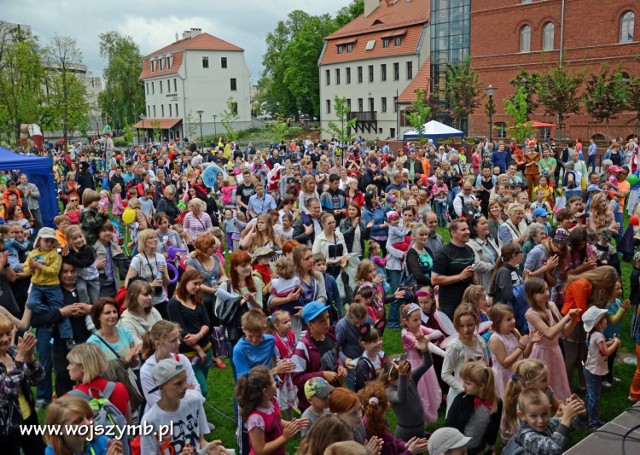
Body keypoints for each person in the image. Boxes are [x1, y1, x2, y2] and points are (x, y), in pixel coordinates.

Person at [141, 358, 223, 454]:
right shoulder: (150, 421)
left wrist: (207, 448)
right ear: (161, 387)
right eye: (178, 383)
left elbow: (200, 440)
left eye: (185, 380)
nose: (185, 386)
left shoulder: (194, 400)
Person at [525, 277, 580, 401]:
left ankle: (558, 409)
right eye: (542, 292)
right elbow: (549, 334)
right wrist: (567, 317)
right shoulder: (531, 313)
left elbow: (565, 331)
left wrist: (574, 319)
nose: (547, 293)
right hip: (541, 354)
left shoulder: (552, 306)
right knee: (543, 386)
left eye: (546, 289)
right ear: (532, 295)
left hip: (555, 351)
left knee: (558, 383)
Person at [235, 365, 308, 455]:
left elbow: (275, 420)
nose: (276, 383)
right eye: (273, 381)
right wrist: (284, 437)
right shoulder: (256, 419)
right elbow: (260, 450)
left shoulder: (272, 401)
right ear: (265, 391)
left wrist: (289, 425)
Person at [23, 227, 76, 349]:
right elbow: (25, 269)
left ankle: (69, 337)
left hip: (52, 286)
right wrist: (31, 268)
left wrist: (39, 266)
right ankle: (52, 315)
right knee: (32, 303)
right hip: (36, 285)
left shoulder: (55, 255)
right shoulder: (33, 253)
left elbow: (54, 271)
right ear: (39, 241)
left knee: (59, 309)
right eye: (46, 240)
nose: (49, 244)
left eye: (52, 241)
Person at [291, 301, 347, 411]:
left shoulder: (330, 334)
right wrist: (323, 374)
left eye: (327, 318)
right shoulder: (303, 347)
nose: (327, 323)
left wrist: (340, 365)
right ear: (309, 324)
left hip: (334, 393)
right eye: (322, 321)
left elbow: (336, 355)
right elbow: (296, 378)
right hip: (317, 404)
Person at [0, 315, 44, 454]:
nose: (6, 339)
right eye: (0, 335)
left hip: (28, 417)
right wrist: (20, 359)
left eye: (8, 333)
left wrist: (30, 358)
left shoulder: (13, 353)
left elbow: (36, 379)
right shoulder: (17, 355)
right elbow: (8, 392)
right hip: (6, 427)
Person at [140, 320, 201, 414]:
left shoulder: (181, 359)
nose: (179, 342)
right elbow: (156, 403)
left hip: (187, 415)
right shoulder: (147, 369)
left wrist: (170, 395)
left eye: (178, 338)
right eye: (173, 340)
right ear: (158, 344)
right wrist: (188, 392)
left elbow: (197, 390)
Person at [503, 389, 585, 455]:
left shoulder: (550, 423)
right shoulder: (527, 437)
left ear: (549, 410)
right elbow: (553, 450)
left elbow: (577, 425)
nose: (541, 420)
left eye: (544, 414)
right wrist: (566, 418)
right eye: (533, 416)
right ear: (522, 415)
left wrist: (580, 412)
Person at [445, 362, 502, 455]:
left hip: (477, 446)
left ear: (481, 386)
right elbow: (450, 423)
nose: (463, 385)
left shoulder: (497, 403)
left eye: (468, 383)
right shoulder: (461, 399)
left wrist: (490, 448)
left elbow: (494, 429)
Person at [358, 381, 429, 455]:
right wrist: (410, 452)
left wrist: (405, 445)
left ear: (363, 406)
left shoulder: (367, 421)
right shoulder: (384, 439)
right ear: (388, 405)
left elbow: (394, 441)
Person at [442, 303, 489, 415]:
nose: (466, 329)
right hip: (461, 393)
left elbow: (485, 365)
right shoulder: (455, 346)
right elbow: (445, 373)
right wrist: (463, 389)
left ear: (476, 322)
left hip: (479, 390)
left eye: (470, 325)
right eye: (461, 326)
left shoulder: (480, 341)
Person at [66, 343, 131, 422]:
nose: (68, 367)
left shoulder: (70, 398)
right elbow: (127, 423)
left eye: (71, 363)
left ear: (83, 367)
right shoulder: (119, 388)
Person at [400, 303, 443, 423]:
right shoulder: (405, 333)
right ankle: (420, 417)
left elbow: (438, 332)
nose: (419, 322)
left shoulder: (419, 328)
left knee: (430, 388)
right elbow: (417, 343)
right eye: (415, 320)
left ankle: (428, 416)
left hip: (424, 363)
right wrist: (425, 339)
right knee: (419, 391)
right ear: (405, 321)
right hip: (414, 364)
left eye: (420, 319)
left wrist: (427, 337)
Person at [582, 306, 621, 429]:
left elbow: (601, 346)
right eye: (604, 318)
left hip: (589, 368)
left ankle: (587, 415)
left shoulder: (592, 333)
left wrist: (610, 341)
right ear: (597, 323)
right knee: (595, 397)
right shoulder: (598, 335)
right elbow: (606, 352)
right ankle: (593, 422)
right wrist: (616, 343)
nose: (606, 320)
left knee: (590, 394)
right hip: (594, 370)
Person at [489, 304, 539, 398]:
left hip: (517, 372)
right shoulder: (496, 339)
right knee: (509, 399)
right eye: (508, 319)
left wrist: (531, 343)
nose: (513, 321)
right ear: (498, 322)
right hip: (505, 376)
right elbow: (504, 363)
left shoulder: (514, 331)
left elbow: (524, 355)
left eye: (513, 317)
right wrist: (520, 347)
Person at [44, 396, 124, 455]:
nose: (88, 423)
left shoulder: (103, 442)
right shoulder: (53, 452)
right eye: (78, 421)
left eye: (89, 417)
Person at [431, 219, 476, 319]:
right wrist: (460, 276)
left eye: (468, 229)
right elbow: (434, 279)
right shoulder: (444, 253)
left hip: (468, 302)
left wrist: (478, 289)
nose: (468, 231)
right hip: (450, 304)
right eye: (463, 229)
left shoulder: (469, 250)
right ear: (453, 233)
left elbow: (473, 273)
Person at [124, 229, 170, 318]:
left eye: (155, 237)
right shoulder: (138, 259)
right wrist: (150, 285)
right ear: (144, 242)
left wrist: (164, 274)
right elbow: (127, 285)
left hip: (161, 301)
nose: (155, 239)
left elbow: (166, 284)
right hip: (145, 304)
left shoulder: (161, 257)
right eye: (151, 238)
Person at [118, 280, 163, 346]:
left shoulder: (152, 310)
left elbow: (165, 332)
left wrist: (145, 340)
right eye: (145, 295)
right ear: (134, 295)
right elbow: (139, 347)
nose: (150, 297)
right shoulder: (125, 321)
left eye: (150, 294)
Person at [468, 214, 500, 292]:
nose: (486, 225)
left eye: (486, 223)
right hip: (485, 283)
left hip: (497, 278)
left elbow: (498, 254)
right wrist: (494, 266)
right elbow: (476, 265)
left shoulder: (490, 238)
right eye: (483, 224)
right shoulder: (471, 244)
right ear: (475, 227)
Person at [312, 213, 348, 278]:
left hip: (341, 269)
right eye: (329, 223)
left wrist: (345, 258)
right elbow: (315, 257)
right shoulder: (319, 239)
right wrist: (334, 261)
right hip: (326, 271)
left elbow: (345, 251)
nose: (332, 225)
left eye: (334, 222)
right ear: (323, 225)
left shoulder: (340, 235)